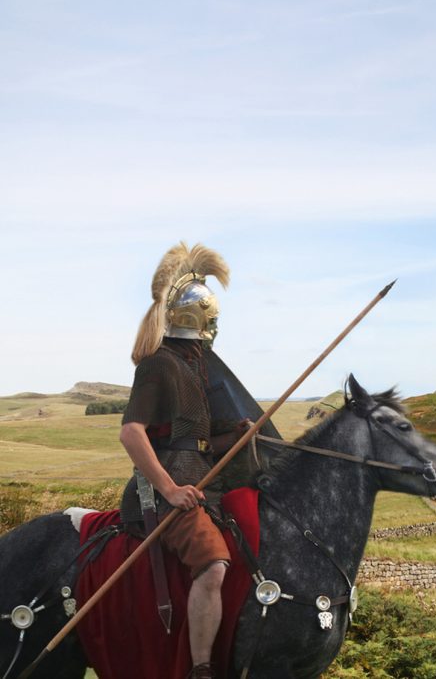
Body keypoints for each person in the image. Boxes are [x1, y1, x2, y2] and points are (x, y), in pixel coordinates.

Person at [119, 242, 247, 679]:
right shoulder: (158, 365)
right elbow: (131, 432)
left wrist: (237, 434)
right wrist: (169, 490)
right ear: (198, 322)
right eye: (212, 318)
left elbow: (196, 440)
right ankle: (201, 669)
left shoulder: (194, 368)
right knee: (213, 565)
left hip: (202, 485)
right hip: (166, 495)